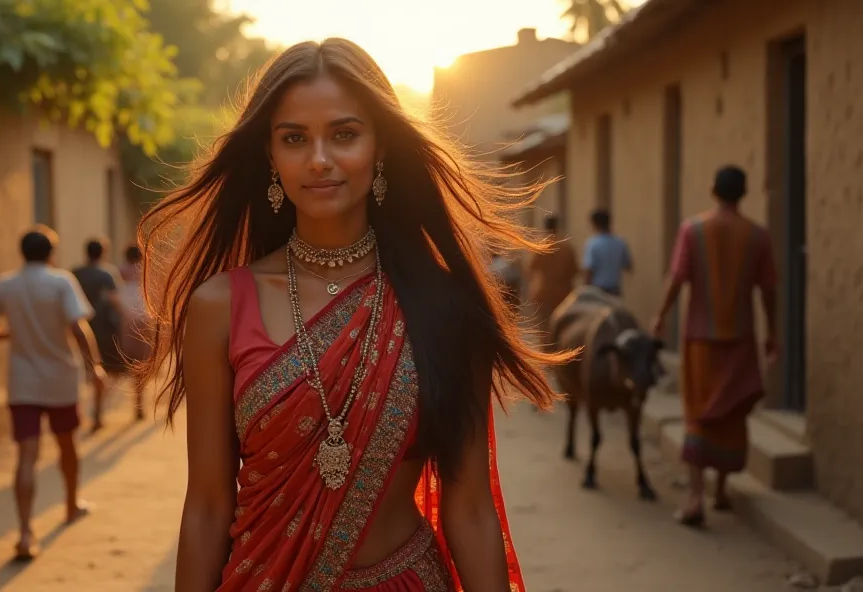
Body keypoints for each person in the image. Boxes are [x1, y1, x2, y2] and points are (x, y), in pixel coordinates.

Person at [135, 38, 568, 591]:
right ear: (270, 156)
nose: (320, 159)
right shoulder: (219, 306)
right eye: (295, 138)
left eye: (344, 134)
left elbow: (471, 509)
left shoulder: (443, 308)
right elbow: (207, 506)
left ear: (380, 145)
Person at [651, 165, 778, 528]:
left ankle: (695, 497)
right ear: (744, 193)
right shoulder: (758, 236)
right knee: (730, 416)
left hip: (699, 340)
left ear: (712, 189)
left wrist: (660, 315)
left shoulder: (693, 230)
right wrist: (773, 333)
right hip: (739, 340)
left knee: (699, 414)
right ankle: (720, 490)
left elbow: (677, 278)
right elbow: (769, 290)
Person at [0, 226, 102, 560]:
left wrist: (10, 334)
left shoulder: (7, 284)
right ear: (51, 252)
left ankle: (25, 532)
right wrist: (95, 367)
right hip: (60, 379)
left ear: (22, 252)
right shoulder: (60, 281)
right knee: (67, 446)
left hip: (23, 382)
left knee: (26, 456)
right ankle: (72, 504)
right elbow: (79, 326)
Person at [72, 238, 123, 431]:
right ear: (103, 253)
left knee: (80, 369)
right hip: (101, 328)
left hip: (78, 327)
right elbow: (114, 299)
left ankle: (80, 412)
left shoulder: (74, 273)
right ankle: (98, 414)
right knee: (98, 368)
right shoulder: (107, 273)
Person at [522, 214, 579, 339]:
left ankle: (546, 354)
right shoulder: (566, 247)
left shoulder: (540, 246)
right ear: (557, 227)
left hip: (543, 293)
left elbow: (529, 270)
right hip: (563, 295)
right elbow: (575, 271)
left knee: (543, 328)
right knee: (562, 328)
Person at [117, 244, 152, 420]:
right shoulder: (147, 272)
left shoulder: (121, 274)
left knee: (131, 362)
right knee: (142, 363)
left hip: (128, 322)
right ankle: (139, 399)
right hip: (144, 321)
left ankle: (137, 400)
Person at [582, 208, 632, 297]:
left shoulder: (593, 244)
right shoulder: (620, 242)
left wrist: (585, 289)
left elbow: (589, 271)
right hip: (614, 290)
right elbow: (628, 266)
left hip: (598, 291)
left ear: (594, 224)